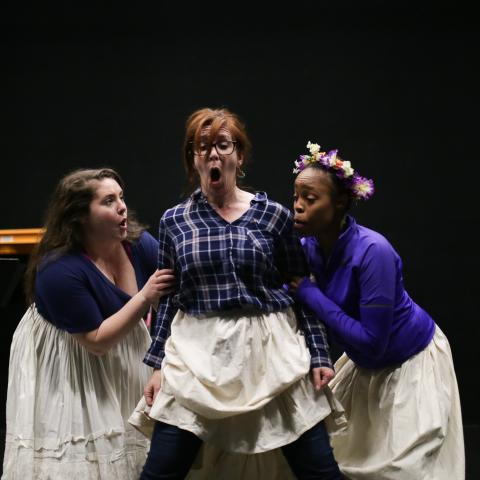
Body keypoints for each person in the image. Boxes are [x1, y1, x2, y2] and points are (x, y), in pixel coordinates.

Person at [129, 108, 346, 479]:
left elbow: (300, 288)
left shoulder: (272, 215)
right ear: (192, 158)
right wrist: (157, 364)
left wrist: (319, 354)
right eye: (202, 147)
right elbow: (169, 295)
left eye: (223, 145)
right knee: (162, 468)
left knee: (318, 468)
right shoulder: (175, 221)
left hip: (268, 348)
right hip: (198, 351)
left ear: (239, 156)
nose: (213, 154)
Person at [288, 142, 465, 480]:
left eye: (310, 199)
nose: (298, 207)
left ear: (340, 202)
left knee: (402, 469)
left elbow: (372, 342)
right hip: (367, 367)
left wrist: (310, 294)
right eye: (296, 196)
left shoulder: (373, 252)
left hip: (409, 363)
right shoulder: (306, 247)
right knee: (335, 456)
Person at [2, 168, 176, 479]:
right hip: (72, 356)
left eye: (121, 197)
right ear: (81, 216)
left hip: (125, 348)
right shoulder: (59, 270)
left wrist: (159, 363)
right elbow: (96, 341)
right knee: (83, 453)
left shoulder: (137, 244)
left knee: (132, 447)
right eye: (108, 201)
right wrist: (146, 295)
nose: (121, 206)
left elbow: (173, 298)